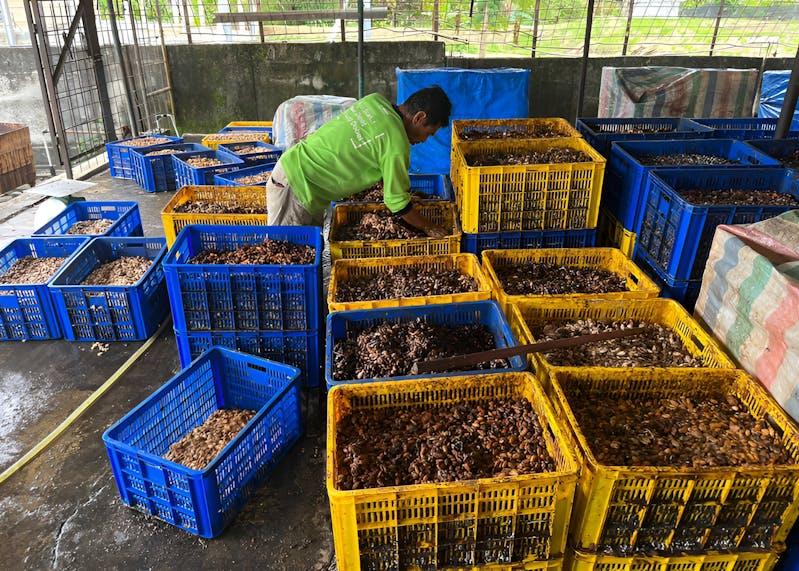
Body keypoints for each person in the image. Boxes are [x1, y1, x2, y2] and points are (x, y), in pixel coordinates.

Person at [265, 86, 452, 237]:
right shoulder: (397, 142)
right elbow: (397, 203)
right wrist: (428, 227)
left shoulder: (374, 101)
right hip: (296, 187)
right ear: (419, 117)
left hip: (298, 174)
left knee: (307, 252)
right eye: (428, 134)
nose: (424, 141)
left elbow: (365, 149)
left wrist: (404, 196)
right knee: (290, 265)